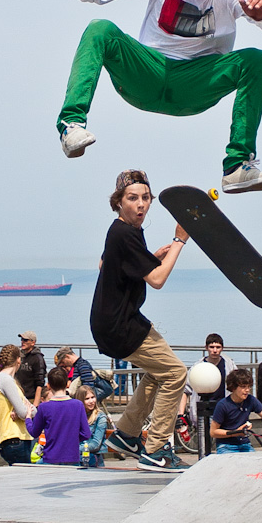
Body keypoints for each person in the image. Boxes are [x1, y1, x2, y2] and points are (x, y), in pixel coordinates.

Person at [50, 0, 262, 193]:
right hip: (147, 73)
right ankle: (71, 126)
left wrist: (260, 15)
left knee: (256, 60)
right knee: (100, 29)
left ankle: (237, 166)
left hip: (195, 84)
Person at [93, 169, 190, 472]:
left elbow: (105, 264)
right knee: (176, 374)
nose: (141, 204)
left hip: (112, 323)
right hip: (121, 325)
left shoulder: (122, 231)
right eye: (132, 198)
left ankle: (126, 435)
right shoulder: (125, 233)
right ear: (118, 202)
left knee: (159, 373)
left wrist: (149, 257)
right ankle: (156, 449)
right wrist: (179, 240)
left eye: (146, 198)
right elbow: (157, 280)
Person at [210, 368, 262, 454]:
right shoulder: (223, 405)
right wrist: (236, 433)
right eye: (243, 387)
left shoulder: (250, 400)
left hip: (245, 444)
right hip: (226, 446)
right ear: (233, 387)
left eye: (249, 386)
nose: (247, 390)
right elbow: (213, 432)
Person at [178, 333, 238, 443]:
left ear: (222, 348)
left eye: (218, 347)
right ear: (206, 348)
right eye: (211, 347)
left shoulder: (229, 365)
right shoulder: (198, 366)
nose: (215, 350)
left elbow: (237, 386)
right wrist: (181, 414)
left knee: (225, 443)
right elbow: (185, 390)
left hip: (224, 410)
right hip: (204, 411)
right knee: (205, 443)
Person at [26, 367, 91, 465]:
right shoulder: (78, 405)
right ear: (67, 384)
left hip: (51, 457)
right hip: (72, 457)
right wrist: (71, 439)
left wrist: (28, 418)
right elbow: (86, 433)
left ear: (49, 386)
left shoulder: (44, 407)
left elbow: (34, 432)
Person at [0, 344, 36, 465]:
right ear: (18, 360)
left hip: (13, 439)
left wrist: (24, 410)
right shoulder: (6, 380)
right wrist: (25, 409)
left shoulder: (5, 380)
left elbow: (30, 410)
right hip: (15, 438)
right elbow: (25, 412)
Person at [75, 384, 108, 467]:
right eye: (87, 399)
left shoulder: (100, 417)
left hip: (93, 458)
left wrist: (73, 449)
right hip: (77, 457)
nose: (91, 401)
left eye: (93, 397)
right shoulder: (75, 416)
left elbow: (96, 444)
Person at [15, 332, 46, 407]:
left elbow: (40, 382)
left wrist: (35, 403)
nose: (22, 342)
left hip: (31, 397)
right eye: (22, 339)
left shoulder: (38, 358)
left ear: (33, 342)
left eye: (25, 340)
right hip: (19, 396)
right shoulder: (19, 356)